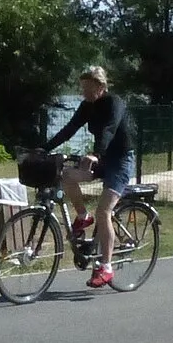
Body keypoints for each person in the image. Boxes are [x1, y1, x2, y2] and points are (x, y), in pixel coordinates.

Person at [46, 64, 136, 288]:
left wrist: (96, 154)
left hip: (121, 161)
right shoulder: (87, 106)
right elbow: (70, 128)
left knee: (104, 210)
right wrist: (44, 148)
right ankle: (83, 216)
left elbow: (109, 129)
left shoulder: (115, 103)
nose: (83, 92)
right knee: (67, 175)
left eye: (87, 87)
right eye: (82, 87)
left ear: (101, 86)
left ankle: (106, 266)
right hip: (102, 159)